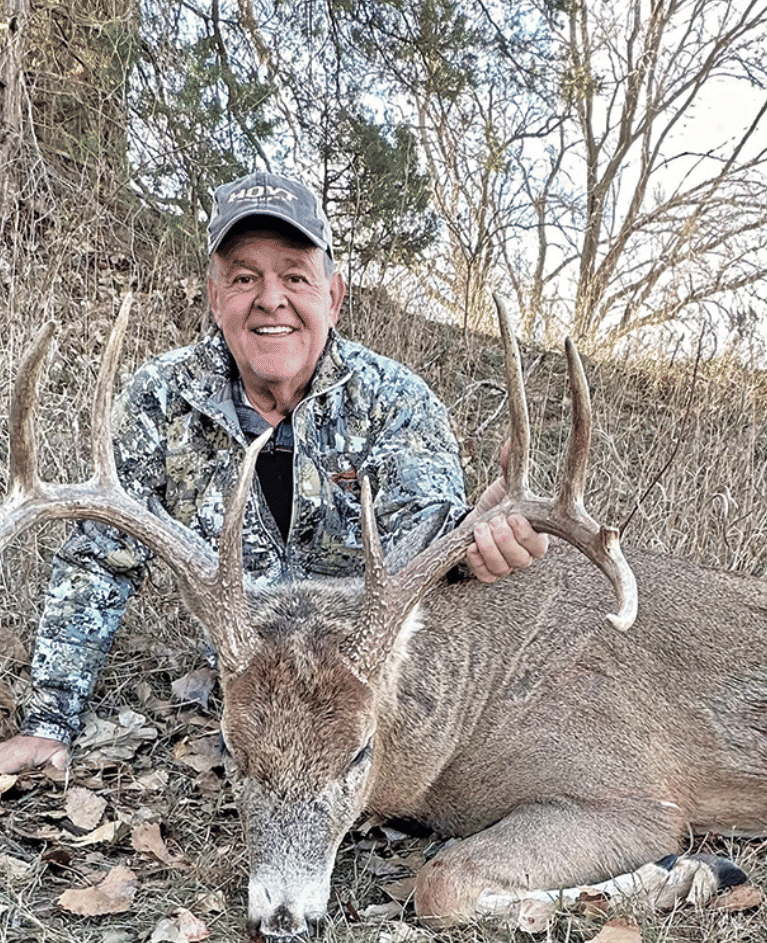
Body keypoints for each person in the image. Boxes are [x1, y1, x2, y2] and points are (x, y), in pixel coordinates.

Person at [0, 172, 547, 774]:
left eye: (295, 276)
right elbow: (99, 559)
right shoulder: (162, 397)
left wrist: (475, 539)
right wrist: (48, 723)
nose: (270, 299)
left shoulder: (396, 401)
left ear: (333, 296)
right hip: (242, 689)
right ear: (215, 297)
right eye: (243, 278)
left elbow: (426, 539)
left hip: (358, 704)